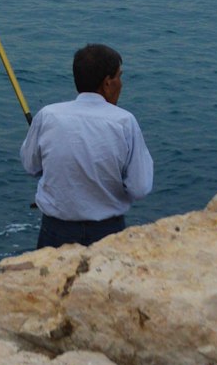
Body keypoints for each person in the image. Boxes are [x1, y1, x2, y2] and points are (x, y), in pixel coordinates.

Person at [20, 43, 153, 248]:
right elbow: (140, 188)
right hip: (108, 232)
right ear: (107, 83)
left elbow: (31, 166)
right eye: (119, 76)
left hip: (55, 231)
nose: (121, 83)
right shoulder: (124, 122)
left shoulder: (48, 115)